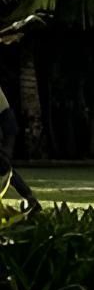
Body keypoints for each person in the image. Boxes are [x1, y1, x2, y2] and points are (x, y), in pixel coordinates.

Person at [0, 82, 40, 211]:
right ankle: (30, 199)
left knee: (3, 164)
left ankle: (30, 199)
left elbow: (8, 123)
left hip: (6, 123)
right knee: (3, 165)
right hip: (6, 122)